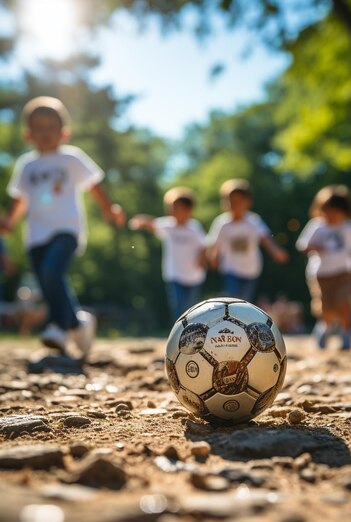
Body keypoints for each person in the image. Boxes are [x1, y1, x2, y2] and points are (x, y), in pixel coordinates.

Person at [0, 96, 125, 355]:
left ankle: (58, 326)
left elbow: (94, 183)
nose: (45, 133)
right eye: (39, 128)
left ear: (64, 133)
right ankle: (78, 324)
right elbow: (20, 198)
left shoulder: (70, 159)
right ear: (28, 134)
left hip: (67, 229)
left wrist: (108, 208)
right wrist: (10, 222)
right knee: (49, 282)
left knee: (51, 270)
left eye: (51, 128)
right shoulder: (27, 165)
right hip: (35, 235)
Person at [296, 185, 351, 350]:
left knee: (345, 303)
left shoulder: (348, 227)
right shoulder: (316, 226)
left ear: (344, 211)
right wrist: (315, 247)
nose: (330, 215)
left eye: (334, 211)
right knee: (325, 307)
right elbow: (302, 246)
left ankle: (346, 334)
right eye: (326, 210)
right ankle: (325, 327)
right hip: (320, 275)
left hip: (343, 272)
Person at [128, 186, 206, 323]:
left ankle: (192, 331)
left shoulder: (194, 228)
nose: (171, 211)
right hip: (174, 275)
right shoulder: (168, 225)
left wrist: (201, 259)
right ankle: (179, 334)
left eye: (176, 208)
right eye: (170, 207)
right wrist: (140, 221)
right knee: (178, 306)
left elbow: (203, 247)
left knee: (191, 308)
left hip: (194, 276)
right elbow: (153, 224)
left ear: (188, 210)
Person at [206, 178, 288, 302]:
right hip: (230, 269)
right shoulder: (222, 223)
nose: (234, 205)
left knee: (245, 301)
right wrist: (213, 258)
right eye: (231, 201)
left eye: (238, 201)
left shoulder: (254, 221)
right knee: (232, 300)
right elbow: (214, 244)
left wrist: (275, 251)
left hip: (251, 270)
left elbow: (265, 238)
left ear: (247, 202)